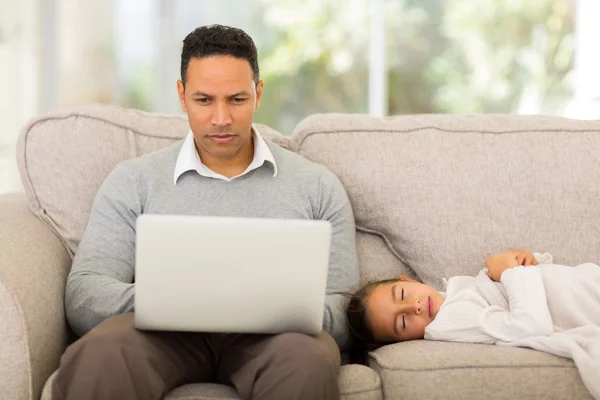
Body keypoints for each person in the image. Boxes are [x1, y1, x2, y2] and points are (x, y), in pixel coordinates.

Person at [53, 24, 359, 400]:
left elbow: (346, 308)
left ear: (258, 94)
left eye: (236, 99)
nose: (220, 119)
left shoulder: (317, 185)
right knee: (102, 354)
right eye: (203, 100)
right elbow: (85, 294)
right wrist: (176, 299)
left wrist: (271, 304)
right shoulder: (134, 180)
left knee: (307, 359)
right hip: (158, 336)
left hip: (277, 340)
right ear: (181, 96)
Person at [346, 249, 600, 399]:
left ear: (408, 280)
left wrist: (527, 261)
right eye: (402, 322)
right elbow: (531, 324)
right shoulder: (446, 323)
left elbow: (527, 287)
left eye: (402, 295)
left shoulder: (453, 292)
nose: (415, 307)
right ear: (404, 341)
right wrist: (512, 273)